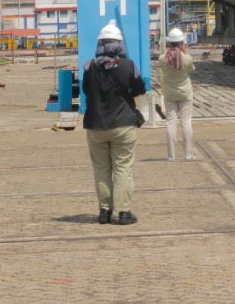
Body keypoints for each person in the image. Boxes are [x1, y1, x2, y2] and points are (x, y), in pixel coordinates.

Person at [83, 20, 146, 225]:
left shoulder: (89, 66)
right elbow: (140, 90)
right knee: (123, 169)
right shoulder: (129, 66)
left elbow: (86, 91)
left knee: (101, 170)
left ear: (99, 44)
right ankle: (124, 213)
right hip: (123, 125)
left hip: (96, 126)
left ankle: (104, 213)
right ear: (120, 44)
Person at [158, 28, 197, 161]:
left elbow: (164, 67)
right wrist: (184, 53)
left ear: (169, 43)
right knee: (186, 122)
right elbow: (191, 69)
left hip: (169, 93)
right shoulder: (187, 58)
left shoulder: (162, 59)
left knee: (171, 123)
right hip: (185, 93)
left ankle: (171, 155)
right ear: (182, 43)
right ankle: (187, 154)